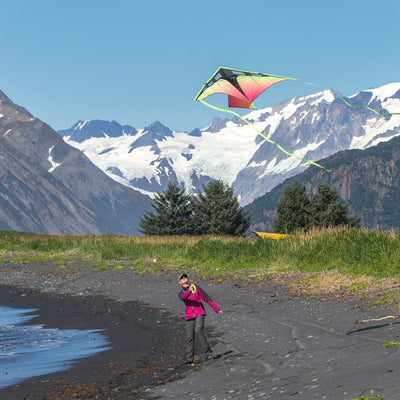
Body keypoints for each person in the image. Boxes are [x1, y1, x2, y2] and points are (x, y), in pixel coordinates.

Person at [178, 273, 223, 365]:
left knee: (198, 330)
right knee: (190, 337)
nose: (184, 279)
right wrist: (189, 291)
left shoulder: (196, 287)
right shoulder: (181, 293)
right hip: (190, 316)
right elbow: (184, 298)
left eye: (185, 277)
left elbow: (207, 298)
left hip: (200, 313)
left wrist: (217, 309)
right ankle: (190, 358)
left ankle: (208, 351)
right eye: (182, 278)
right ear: (179, 282)